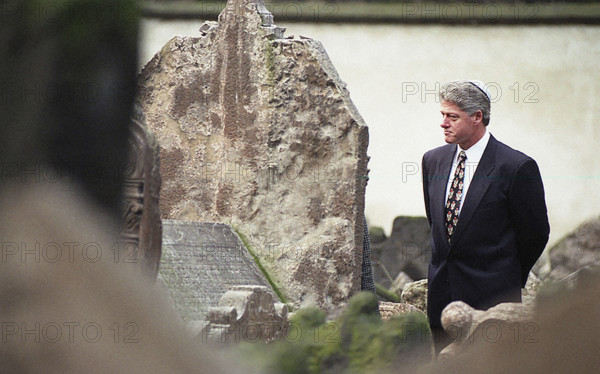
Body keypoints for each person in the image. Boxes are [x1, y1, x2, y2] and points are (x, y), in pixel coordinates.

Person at [421, 80, 550, 354]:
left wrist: (506, 278)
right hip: (441, 303)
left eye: (452, 117)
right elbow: (440, 228)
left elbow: (535, 234)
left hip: (493, 306)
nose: (443, 123)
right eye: (442, 115)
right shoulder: (432, 161)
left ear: (477, 117)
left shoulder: (516, 167)